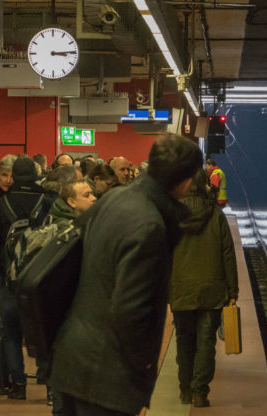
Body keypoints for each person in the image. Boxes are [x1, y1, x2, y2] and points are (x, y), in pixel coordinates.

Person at [50, 134, 202, 416]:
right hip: (107, 375)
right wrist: (139, 372)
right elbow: (130, 311)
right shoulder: (149, 226)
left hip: (74, 356)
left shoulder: (114, 199)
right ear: (185, 181)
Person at [0, 156, 56, 400]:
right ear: (37, 175)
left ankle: (18, 385)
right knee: (45, 334)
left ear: (13, 176)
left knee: (11, 334)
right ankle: (49, 388)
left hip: (9, 280)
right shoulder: (48, 202)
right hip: (41, 281)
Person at [169, 169, 238, 407]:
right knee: (206, 341)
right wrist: (233, 291)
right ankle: (200, 392)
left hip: (180, 288)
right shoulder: (215, 215)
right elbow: (227, 253)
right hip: (212, 287)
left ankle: (185, 390)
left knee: (184, 339)